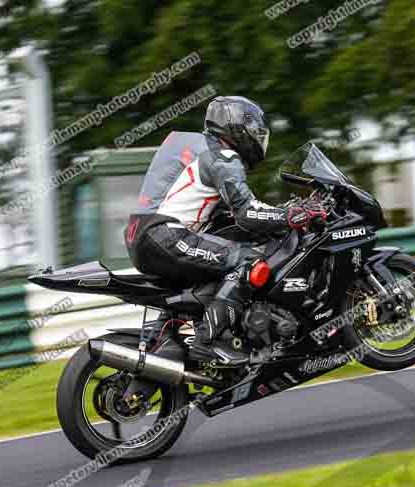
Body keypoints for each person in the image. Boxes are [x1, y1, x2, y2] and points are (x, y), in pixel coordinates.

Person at [125, 96, 325, 364]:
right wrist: (293, 214)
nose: (257, 139)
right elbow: (248, 213)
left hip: (144, 235)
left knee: (217, 264)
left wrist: (276, 211)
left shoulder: (193, 146)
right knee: (248, 261)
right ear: (237, 128)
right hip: (166, 235)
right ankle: (207, 342)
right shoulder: (223, 156)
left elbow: (230, 210)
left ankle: (169, 339)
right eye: (256, 132)